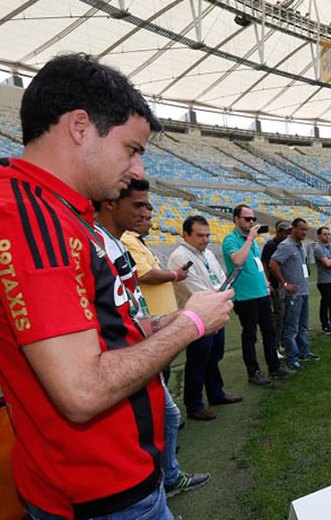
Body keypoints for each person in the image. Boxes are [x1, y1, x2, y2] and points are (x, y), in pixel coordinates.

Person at [0, 53, 232, 520]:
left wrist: (155, 324)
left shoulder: (55, 211)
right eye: (131, 148)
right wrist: (188, 323)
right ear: (80, 127)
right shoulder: (30, 218)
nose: (138, 170)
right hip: (100, 490)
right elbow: (81, 390)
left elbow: (92, 339)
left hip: (103, 481)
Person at [96, 181, 210, 497]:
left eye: (148, 207)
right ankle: (159, 481)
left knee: (164, 414)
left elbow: (131, 297)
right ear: (110, 204)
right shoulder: (101, 244)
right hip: (126, 353)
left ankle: (163, 478)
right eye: (139, 205)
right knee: (158, 418)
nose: (148, 213)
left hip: (143, 335)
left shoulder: (118, 243)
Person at [169, 215, 242, 421]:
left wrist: (221, 301)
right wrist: (220, 298)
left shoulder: (208, 254)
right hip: (197, 318)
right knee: (198, 361)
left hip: (216, 312)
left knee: (214, 357)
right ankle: (194, 405)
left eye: (207, 235)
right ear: (186, 235)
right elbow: (197, 291)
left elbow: (221, 279)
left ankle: (216, 393)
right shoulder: (179, 256)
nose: (205, 239)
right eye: (200, 235)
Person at [223, 204, 282, 386]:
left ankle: (274, 367)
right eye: (247, 219)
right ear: (236, 219)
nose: (251, 222)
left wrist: (266, 282)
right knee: (250, 335)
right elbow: (238, 260)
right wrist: (249, 238)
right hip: (244, 296)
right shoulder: (230, 240)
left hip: (260, 292)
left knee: (269, 331)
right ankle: (253, 372)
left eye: (253, 219)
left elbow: (257, 262)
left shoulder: (253, 241)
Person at [270, 218, 320, 371]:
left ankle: (304, 352)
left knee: (302, 326)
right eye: (301, 229)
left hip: (303, 291)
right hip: (292, 295)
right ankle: (292, 358)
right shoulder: (286, 245)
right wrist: (284, 284)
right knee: (291, 328)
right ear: (293, 229)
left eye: (306, 230)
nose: (304, 232)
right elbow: (273, 263)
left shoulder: (301, 245)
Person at [262, 220, 291, 353]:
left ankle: (284, 341)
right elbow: (265, 264)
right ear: (279, 232)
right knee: (278, 315)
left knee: (287, 315)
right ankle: (275, 345)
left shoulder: (287, 245)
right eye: (285, 233)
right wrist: (268, 283)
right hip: (275, 285)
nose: (287, 235)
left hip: (285, 284)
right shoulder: (270, 245)